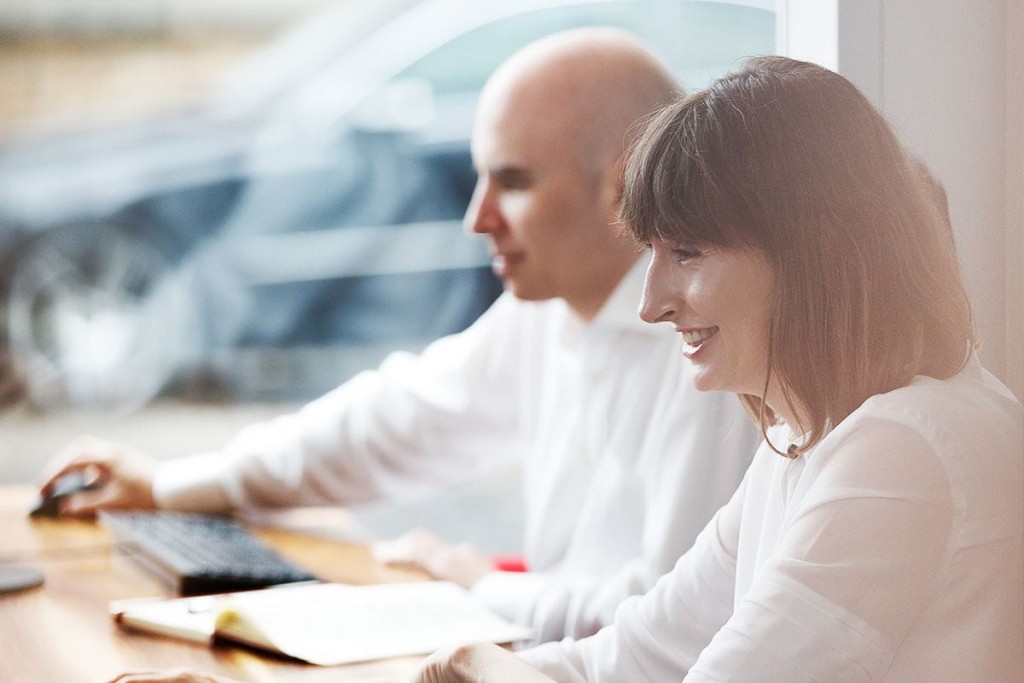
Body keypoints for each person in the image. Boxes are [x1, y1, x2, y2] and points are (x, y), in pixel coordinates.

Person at [43, 27, 757, 648]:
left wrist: (479, 585)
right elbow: (400, 418)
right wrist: (172, 485)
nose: (477, 217)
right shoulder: (549, 311)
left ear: (620, 187)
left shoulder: (710, 354)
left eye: (511, 182)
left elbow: (668, 633)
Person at [406, 56, 1024, 681]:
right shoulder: (802, 438)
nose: (651, 305)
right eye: (652, 253)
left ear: (808, 252)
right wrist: (470, 664)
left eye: (689, 252)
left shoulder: (903, 445)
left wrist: (489, 670)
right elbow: (636, 655)